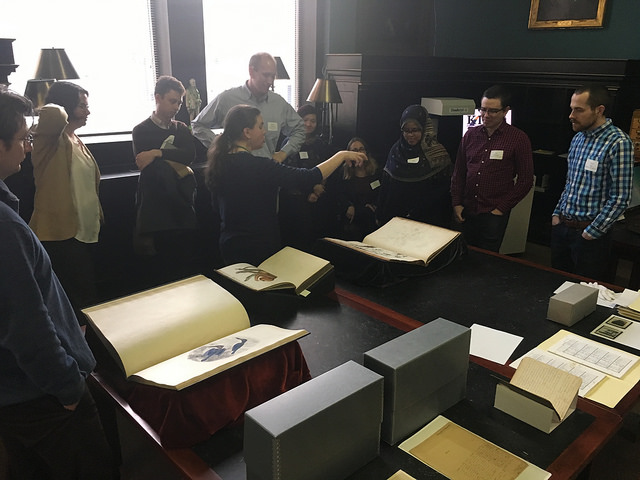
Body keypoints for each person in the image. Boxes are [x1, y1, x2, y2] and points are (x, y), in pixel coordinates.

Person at [0, 87, 116, 479]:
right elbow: (27, 325)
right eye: (20, 139)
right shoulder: (4, 230)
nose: (27, 147)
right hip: (40, 396)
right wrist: (68, 387)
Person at [205, 104, 365, 266]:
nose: (264, 131)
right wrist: (341, 155)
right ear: (247, 132)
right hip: (258, 247)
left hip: (229, 243)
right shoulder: (260, 166)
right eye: (260, 126)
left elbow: (216, 208)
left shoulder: (220, 162)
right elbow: (308, 177)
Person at [29, 81, 102, 323]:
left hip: (85, 232)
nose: (88, 111)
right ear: (67, 106)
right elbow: (51, 114)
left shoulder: (76, 140)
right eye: (82, 106)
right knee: (77, 301)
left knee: (87, 297)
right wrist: (59, 97)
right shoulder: (49, 141)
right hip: (60, 235)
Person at [551, 84, 634, 280]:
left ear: (599, 110)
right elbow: (570, 183)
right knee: (555, 285)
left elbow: (621, 197)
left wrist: (592, 232)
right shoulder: (578, 138)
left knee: (582, 293)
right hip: (563, 227)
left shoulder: (618, 142)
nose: (571, 115)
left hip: (589, 235)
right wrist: (556, 214)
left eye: (578, 110)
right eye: (572, 108)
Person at [451, 85, 534, 252]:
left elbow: (526, 180)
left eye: (493, 111)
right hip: (467, 208)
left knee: (488, 259)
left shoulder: (518, 138)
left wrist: (501, 209)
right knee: (462, 254)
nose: (486, 115)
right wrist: (456, 203)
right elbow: (459, 172)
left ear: (505, 111)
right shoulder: (471, 135)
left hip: (493, 212)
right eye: (483, 109)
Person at [132, 75, 198, 284]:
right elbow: (145, 163)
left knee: (183, 265)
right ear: (158, 98)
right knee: (159, 270)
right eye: (172, 101)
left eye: (179, 102)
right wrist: (161, 155)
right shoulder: (141, 130)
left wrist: (157, 153)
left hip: (182, 201)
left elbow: (190, 155)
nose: (177, 107)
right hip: (156, 206)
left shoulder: (181, 128)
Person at [192, 52, 305, 163]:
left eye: (273, 76)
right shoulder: (227, 99)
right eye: (266, 75)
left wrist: (283, 153)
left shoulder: (279, 103)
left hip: (266, 172)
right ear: (251, 71)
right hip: (234, 172)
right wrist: (221, 145)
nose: (270, 81)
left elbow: (300, 129)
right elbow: (197, 125)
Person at [377, 104, 452, 228]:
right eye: (406, 130)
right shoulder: (396, 151)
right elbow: (386, 186)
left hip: (427, 221)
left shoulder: (437, 153)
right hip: (396, 220)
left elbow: (443, 193)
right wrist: (379, 214)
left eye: (415, 130)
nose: (410, 135)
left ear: (424, 129)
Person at [279, 104, 334, 250]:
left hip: (318, 197)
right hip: (295, 200)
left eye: (313, 121)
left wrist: (318, 188)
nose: (309, 124)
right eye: (305, 120)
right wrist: (310, 189)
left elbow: (327, 165)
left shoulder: (320, 143)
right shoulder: (289, 143)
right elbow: (289, 172)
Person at [337, 137, 381, 240]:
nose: (359, 152)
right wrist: (348, 206)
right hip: (352, 217)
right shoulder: (343, 172)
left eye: (361, 149)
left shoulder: (376, 170)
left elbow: (381, 192)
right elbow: (338, 193)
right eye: (355, 150)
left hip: (371, 217)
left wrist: (375, 205)